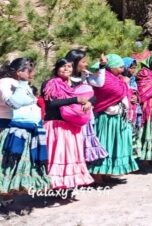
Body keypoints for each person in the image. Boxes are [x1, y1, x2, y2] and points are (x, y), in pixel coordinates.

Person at [0, 58, 50, 204]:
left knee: (12, 167)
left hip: (24, 131)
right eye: (29, 70)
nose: (32, 73)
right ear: (18, 71)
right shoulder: (5, 83)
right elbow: (14, 103)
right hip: (7, 131)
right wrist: (22, 83)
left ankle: (6, 198)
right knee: (5, 166)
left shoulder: (22, 85)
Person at [42, 59, 95, 189]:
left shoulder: (73, 85)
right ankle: (54, 185)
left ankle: (68, 184)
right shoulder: (50, 83)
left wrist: (90, 102)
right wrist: (75, 99)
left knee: (70, 156)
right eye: (63, 66)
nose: (66, 69)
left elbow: (92, 95)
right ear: (56, 68)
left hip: (70, 126)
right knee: (57, 156)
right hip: (56, 125)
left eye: (69, 67)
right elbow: (51, 103)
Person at [89, 54, 139, 178]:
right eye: (121, 67)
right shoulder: (104, 78)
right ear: (112, 67)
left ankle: (107, 174)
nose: (123, 70)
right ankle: (98, 176)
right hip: (106, 118)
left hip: (117, 117)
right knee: (105, 144)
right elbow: (113, 92)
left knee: (113, 146)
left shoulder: (116, 78)